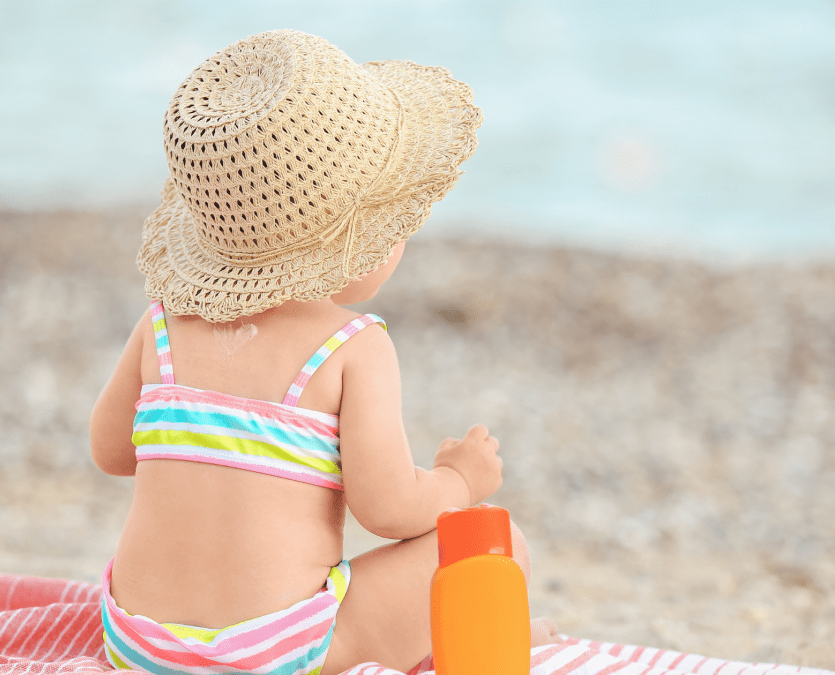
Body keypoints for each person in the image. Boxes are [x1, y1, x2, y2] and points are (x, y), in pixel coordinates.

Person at [89, 29, 560, 675]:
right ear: (359, 241)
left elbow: (111, 450)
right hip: (275, 654)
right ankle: (474, 632)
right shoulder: (350, 346)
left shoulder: (164, 325)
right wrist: (458, 479)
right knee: (492, 543)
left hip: (139, 644)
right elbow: (389, 510)